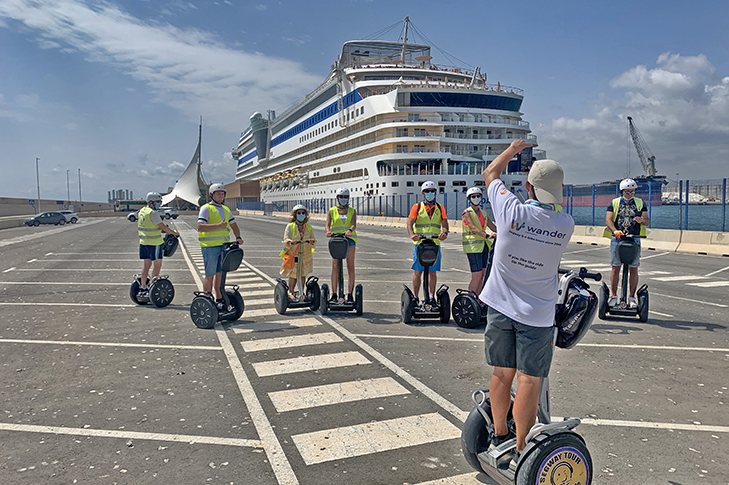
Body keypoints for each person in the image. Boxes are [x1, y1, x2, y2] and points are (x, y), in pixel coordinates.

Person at [479, 140, 575, 469]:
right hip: (537, 314)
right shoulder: (565, 225)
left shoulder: (510, 211)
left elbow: (490, 173)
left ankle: (498, 434)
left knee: (502, 374)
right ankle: (522, 448)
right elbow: (550, 217)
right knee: (530, 380)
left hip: (500, 307)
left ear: (528, 187)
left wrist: (511, 150)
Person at [604, 178, 650, 307]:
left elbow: (647, 221)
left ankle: (631, 297)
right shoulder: (614, 203)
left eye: (632, 191)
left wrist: (642, 220)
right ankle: (613, 296)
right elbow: (608, 220)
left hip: (634, 237)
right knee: (615, 267)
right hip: (618, 238)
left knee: (634, 268)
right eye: (628, 191)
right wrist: (615, 231)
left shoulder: (640, 203)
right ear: (622, 191)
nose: (630, 194)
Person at [197, 184, 243, 307]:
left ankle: (219, 297)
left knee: (220, 274)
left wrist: (238, 237)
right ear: (212, 194)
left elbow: (234, 225)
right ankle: (206, 298)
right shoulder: (206, 208)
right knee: (210, 274)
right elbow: (200, 226)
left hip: (224, 246)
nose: (220, 195)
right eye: (218, 193)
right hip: (210, 246)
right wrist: (218, 225)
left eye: (222, 193)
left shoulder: (226, 209)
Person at [406, 181, 449, 305]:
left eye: (432, 191)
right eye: (427, 191)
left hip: (434, 244)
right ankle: (415, 297)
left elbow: (445, 223)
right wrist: (412, 234)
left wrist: (444, 233)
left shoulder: (440, 208)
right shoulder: (417, 207)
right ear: (423, 193)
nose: (430, 193)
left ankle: (431, 297)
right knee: (418, 271)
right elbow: (410, 222)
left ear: (435, 192)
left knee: (432, 272)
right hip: (420, 244)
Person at [137, 192, 179, 295]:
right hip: (154, 243)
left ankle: (143, 287)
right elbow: (163, 227)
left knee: (146, 266)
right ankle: (152, 286)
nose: (159, 204)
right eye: (157, 202)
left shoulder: (142, 211)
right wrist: (174, 233)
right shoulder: (153, 213)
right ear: (151, 202)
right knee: (157, 265)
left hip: (143, 243)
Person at [462, 187, 497, 293]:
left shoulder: (483, 213)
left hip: (483, 247)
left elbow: (493, 226)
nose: (476, 198)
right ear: (469, 199)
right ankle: (470, 299)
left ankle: (478, 298)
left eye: (478, 196)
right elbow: (473, 227)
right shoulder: (467, 213)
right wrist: (487, 236)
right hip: (473, 248)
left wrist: (503, 232)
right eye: (473, 197)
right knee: (476, 275)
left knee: (483, 274)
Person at [325, 188, 357, 302]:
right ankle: (334, 294)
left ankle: (350, 294)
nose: (343, 199)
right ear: (337, 198)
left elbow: (353, 224)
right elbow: (327, 224)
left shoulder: (352, 210)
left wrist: (349, 230)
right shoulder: (332, 210)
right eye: (341, 197)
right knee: (335, 267)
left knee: (350, 267)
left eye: (346, 197)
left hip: (349, 240)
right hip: (336, 240)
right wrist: (328, 232)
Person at [280, 204, 316, 300]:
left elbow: (313, 239)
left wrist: (312, 241)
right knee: (294, 274)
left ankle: (301, 292)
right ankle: (290, 292)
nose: (301, 214)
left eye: (303, 213)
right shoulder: (290, 226)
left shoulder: (308, 227)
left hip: (305, 254)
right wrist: (290, 242)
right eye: (299, 213)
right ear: (295, 215)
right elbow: (286, 239)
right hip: (294, 253)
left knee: (303, 274)